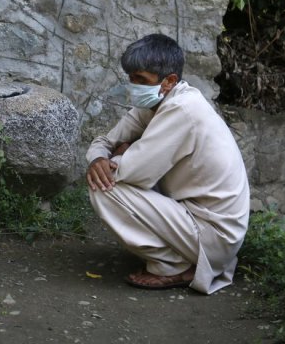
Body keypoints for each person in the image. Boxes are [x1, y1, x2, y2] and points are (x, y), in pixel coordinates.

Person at [85, 33, 250, 294]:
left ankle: (173, 266)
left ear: (169, 81)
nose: (133, 86)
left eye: (141, 80)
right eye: (131, 78)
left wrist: (119, 155)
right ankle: (177, 258)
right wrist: (98, 157)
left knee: (105, 187)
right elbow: (105, 141)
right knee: (102, 174)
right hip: (191, 218)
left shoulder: (182, 109)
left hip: (213, 236)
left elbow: (131, 173)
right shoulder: (155, 101)